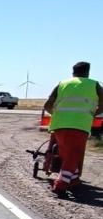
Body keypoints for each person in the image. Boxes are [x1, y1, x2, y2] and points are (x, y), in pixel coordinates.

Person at [43, 61, 103, 195]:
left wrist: (58, 115)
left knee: (66, 154)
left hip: (58, 126)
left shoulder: (62, 84)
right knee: (74, 155)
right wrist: (92, 114)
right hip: (79, 125)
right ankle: (60, 185)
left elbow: (47, 105)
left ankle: (74, 180)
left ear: (73, 72)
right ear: (87, 72)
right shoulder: (94, 84)